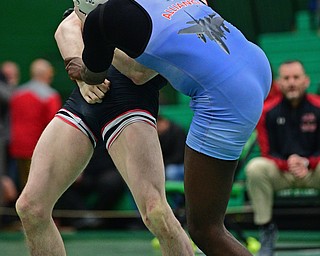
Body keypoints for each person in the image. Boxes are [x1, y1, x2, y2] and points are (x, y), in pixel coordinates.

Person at [66, 0, 272, 255]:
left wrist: (81, 66)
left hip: (227, 95)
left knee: (205, 230)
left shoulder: (101, 18)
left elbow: (97, 76)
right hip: (253, 62)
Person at [15, 9, 194, 256]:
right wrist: (85, 77)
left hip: (131, 105)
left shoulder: (177, 9)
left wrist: (96, 31)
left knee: (156, 213)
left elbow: (139, 72)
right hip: (84, 100)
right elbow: (66, 28)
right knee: (30, 207)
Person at [245, 60, 320, 256]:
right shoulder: (267, 111)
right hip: (281, 173)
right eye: (286, 78)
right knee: (256, 167)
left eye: (296, 77)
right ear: (279, 83)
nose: (292, 82)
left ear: (306, 80)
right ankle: (267, 231)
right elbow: (267, 152)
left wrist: (307, 162)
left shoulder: (318, 107)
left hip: (314, 171)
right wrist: (287, 163)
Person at [9, 59, 62, 191]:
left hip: (17, 147)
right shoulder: (50, 96)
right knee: (38, 188)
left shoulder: (17, 94)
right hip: (39, 149)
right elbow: (53, 126)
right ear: (47, 74)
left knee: (24, 184)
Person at [55, 144, 127, 230]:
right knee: (61, 181)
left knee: (114, 181)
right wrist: (73, 168)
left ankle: (96, 218)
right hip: (79, 171)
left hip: (104, 170)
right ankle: (83, 217)